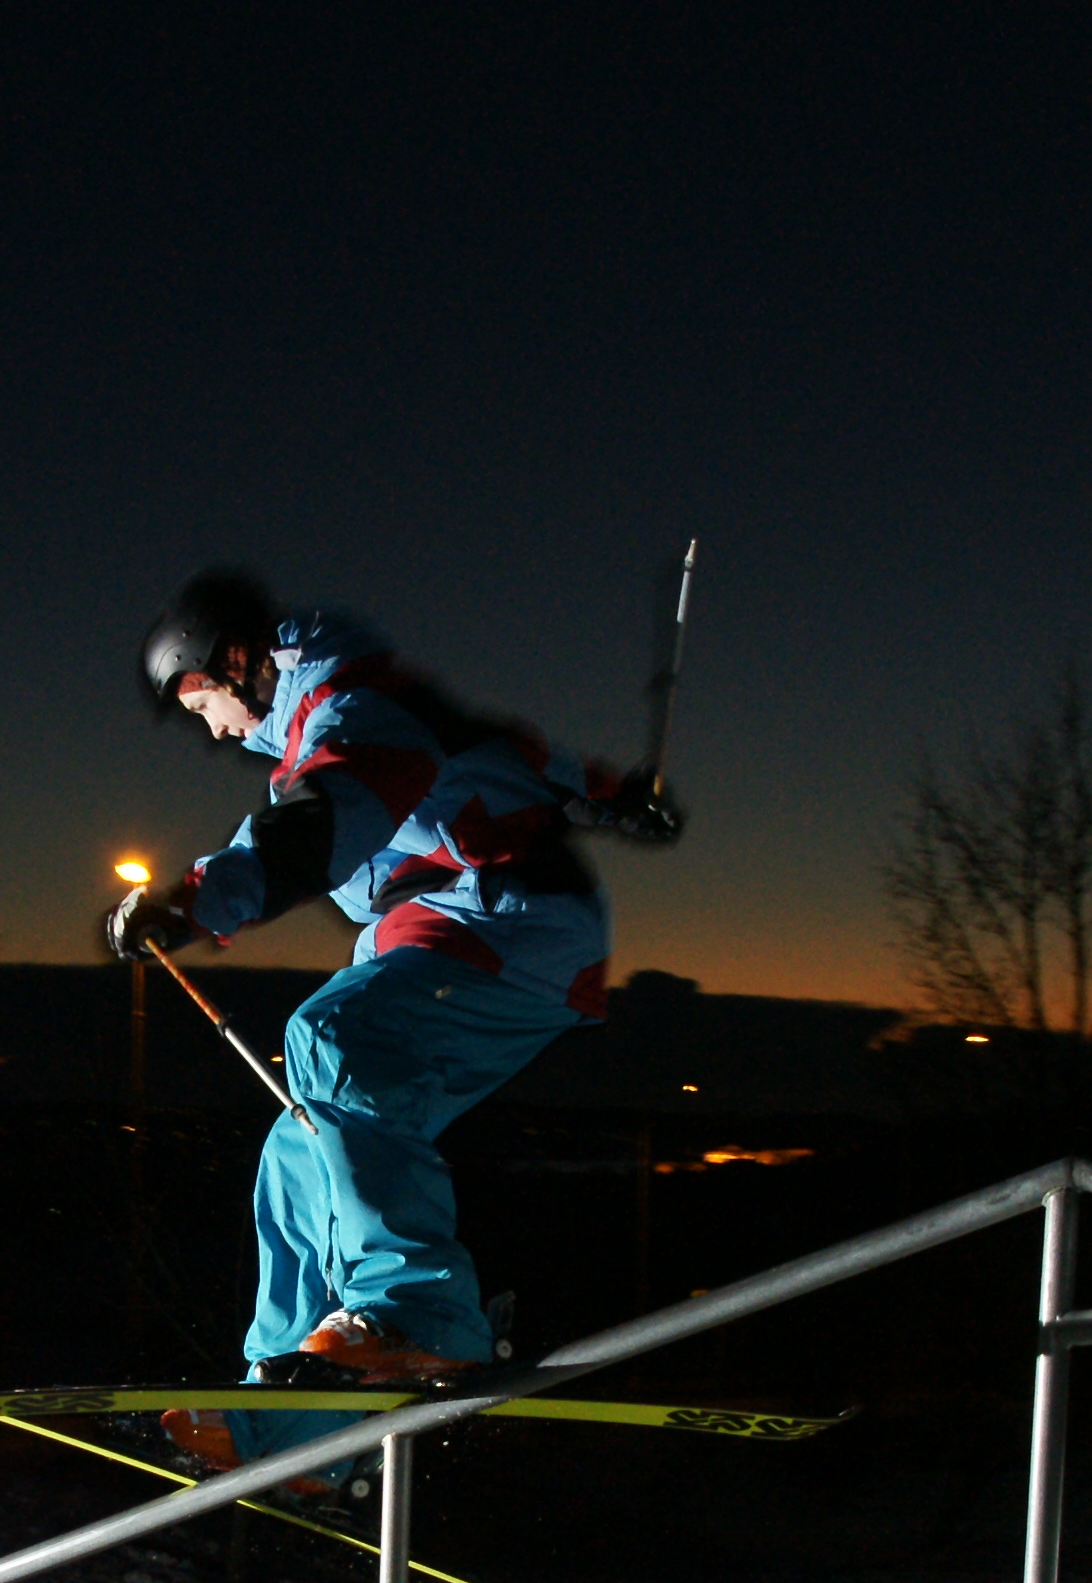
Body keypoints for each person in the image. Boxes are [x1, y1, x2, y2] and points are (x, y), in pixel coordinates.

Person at [109, 567, 682, 1477]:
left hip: (509, 929)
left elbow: (324, 817)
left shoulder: (351, 714)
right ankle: (287, 1395)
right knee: (300, 1140)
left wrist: (194, 902)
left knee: (333, 1041)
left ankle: (416, 1312)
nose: (211, 729)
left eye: (200, 700)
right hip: (461, 939)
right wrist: (609, 792)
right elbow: (514, 753)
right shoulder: (347, 718)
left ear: (242, 662)